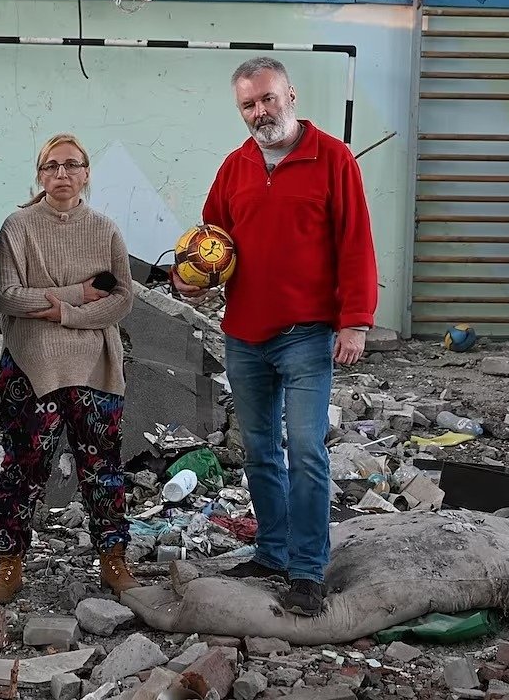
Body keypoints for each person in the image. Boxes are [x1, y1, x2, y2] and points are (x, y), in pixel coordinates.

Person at [172, 56, 377, 617]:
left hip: (306, 335)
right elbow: (210, 241)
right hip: (244, 334)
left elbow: (356, 242)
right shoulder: (235, 166)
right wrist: (189, 280)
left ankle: (307, 571)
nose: (260, 111)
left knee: (307, 450)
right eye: (248, 104)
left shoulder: (332, 159)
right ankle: (272, 552)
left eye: (268, 98)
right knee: (260, 451)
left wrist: (355, 320)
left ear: (291, 95)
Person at [0, 133, 141, 604]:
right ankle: (8, 562)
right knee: (22, 468)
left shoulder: (105, 230)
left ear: (86, 174)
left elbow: (122, 298)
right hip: (32, 367)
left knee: (102, 469)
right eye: (52, 166)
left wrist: (63, 313)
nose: (62, 174)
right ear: (40, 175)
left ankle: (113, 559)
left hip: (94, 368)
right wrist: (77, 294)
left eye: (72, 165)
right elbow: (8, 296)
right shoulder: (18, 228)